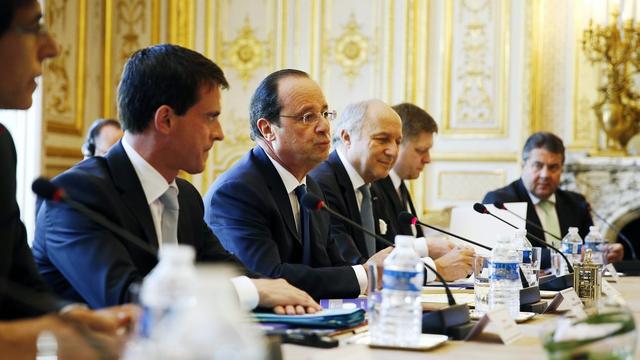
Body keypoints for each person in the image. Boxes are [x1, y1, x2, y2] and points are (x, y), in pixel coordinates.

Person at [33, 45, 320, 315]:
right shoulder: (76, 195)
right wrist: (251, 292)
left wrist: (279, 295)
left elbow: (229, 271)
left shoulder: (185, 196)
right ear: (166, 120)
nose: (219, 133)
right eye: (210, 117)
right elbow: (126, 299)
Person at [0, 0, 137, 356]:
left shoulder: (0, 144)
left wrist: (72, 316)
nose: (52, 47)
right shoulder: (82, 189)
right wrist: (50, 337)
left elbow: (16, 286)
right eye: (33, 27)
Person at [204, 69, 391, 300]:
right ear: (267, 129)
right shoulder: (237, 191)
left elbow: (331, 266)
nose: (324, 126)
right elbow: (267, 277)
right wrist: (366, 275)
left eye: (324, 113)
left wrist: (368, 275)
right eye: (307, 117)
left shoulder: (310, 187)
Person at [309, 100, 473, 281]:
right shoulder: (321, 184)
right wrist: (436, 269)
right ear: (347, 137)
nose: (393, 151)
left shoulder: (370, 184)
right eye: (382, 139)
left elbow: (384, 253)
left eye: (397, 142)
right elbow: (354, 266)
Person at [482, 131, 623, 263]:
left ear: (561, 169)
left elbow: (589, 248)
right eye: (538, 165)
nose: (545, 175)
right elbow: (504, 253)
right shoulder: (500, 202)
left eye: (553, 167)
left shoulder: (576, 203)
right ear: (523, 166)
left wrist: (605, 252)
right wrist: (564, 256)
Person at [372, 103, 474, 280]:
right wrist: (432, 257)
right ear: (398, 145)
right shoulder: (373, 186)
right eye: (421, 150)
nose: (428, 159)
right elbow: (380, 254)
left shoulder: (400, 185)